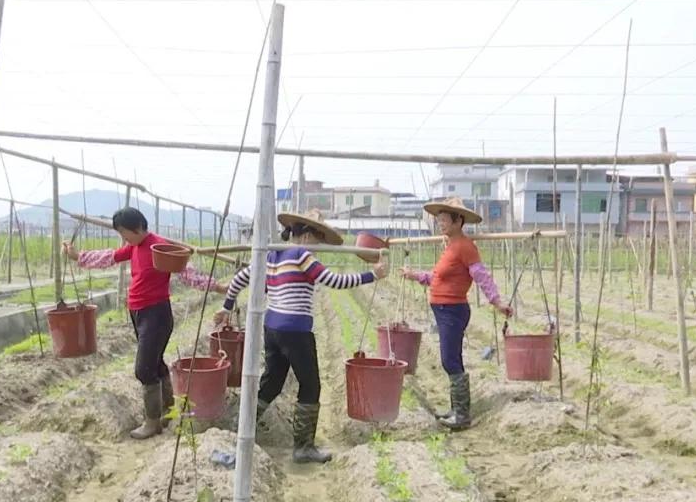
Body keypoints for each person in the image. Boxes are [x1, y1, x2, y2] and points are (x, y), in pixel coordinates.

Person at [213, 210, 388, 464]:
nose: (317, 247)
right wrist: (372, 275)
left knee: (272, 382)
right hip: (296, 330)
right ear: (306, 236)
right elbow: (334, 281)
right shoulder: (302, 254)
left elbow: (240, 279)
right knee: (311, 385)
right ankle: (303, 447)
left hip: (272, 328)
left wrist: (227, 307)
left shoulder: (272, 253)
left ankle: (242, 432)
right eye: (317, 240)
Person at [63, 207, 225, 440]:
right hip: (138, 313)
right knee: (155, 363)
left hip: (156, 315)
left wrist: (218, 287)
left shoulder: (159, 247)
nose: (123, 237)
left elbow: (187, 273)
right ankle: (169, 411)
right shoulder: (134, 246)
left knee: (143, 369)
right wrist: (79, 257)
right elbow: (110, 257)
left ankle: (152, 422)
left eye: (124, 232)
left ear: (138, 228)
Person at [402, 198, 513, 431]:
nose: (440, 223)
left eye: (444, 220)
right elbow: (439, 278)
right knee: (452, 358)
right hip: (443, 310)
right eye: (439, 220)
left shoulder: (464, 246)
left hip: (452, 310)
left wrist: (496, 301)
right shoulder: (450, 246)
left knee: (449, 360)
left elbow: (481, 275)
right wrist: (414, 275)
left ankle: (462, 415)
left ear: (458, 221)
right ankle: (456, 409)